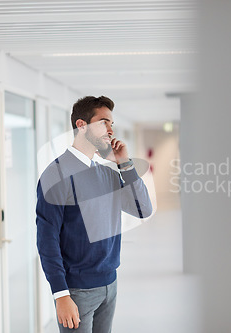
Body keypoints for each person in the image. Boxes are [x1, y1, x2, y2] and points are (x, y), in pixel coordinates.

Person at [36, 96, 153, 332]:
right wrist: (61, 295)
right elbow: (47, 240)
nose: (111, 130)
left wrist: (125, 164)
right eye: (104, 122)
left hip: (110, 284)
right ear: (81, 125)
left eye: (112, 124)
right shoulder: (56, 175)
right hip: (77, 291)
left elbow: (143, 209)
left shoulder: (107, 174)